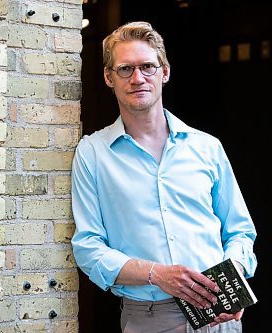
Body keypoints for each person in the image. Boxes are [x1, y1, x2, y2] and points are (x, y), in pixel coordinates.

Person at [71, 21, 257, 333]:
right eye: (125, 69)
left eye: (147, 66)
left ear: (165, 72)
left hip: (218, 317)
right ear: (108, 77)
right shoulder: (92, 153)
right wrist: (156, 274)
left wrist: (231, 281)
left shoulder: (207, 147)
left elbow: (239, 231)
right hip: (149, 319)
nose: (138, 78)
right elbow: (88, 247)